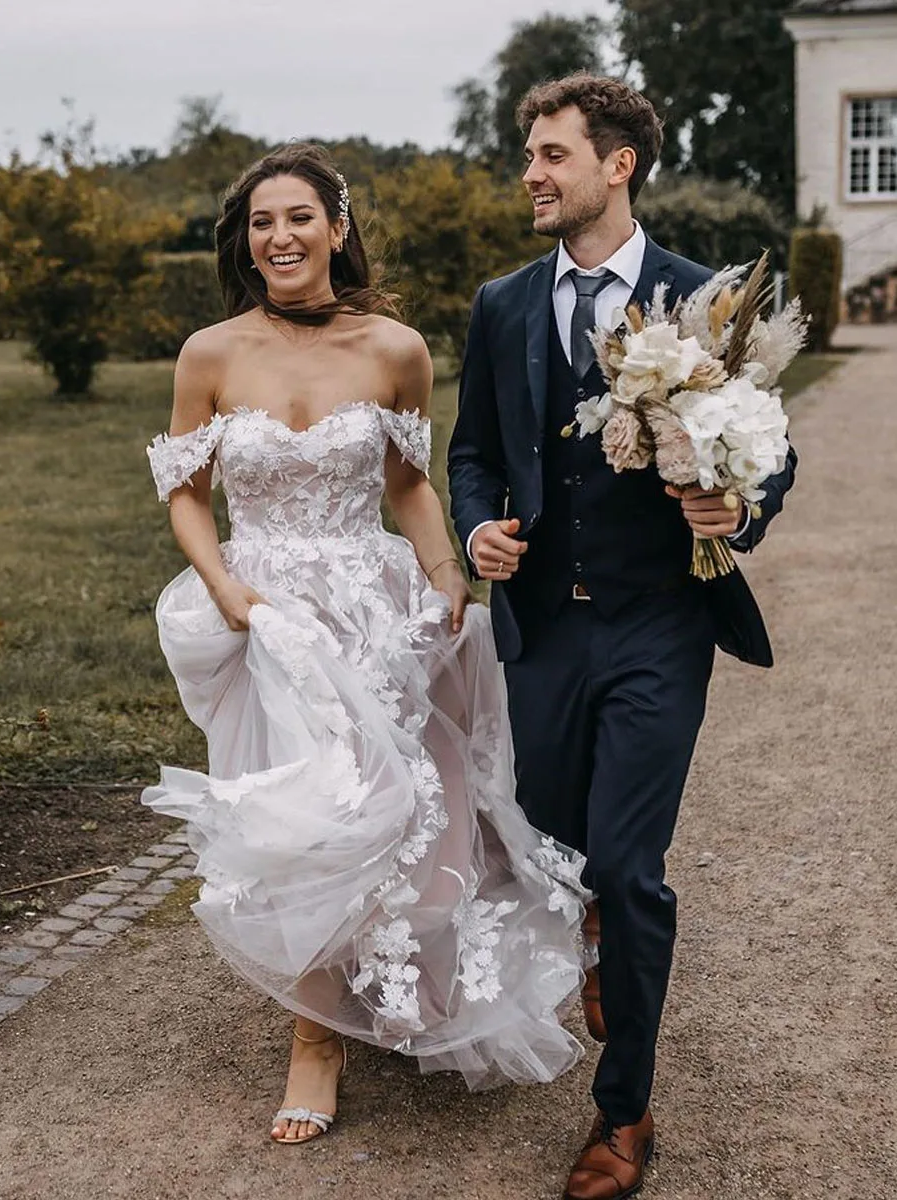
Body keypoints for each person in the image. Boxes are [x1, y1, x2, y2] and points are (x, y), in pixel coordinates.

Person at [141, 142, 589, 1148]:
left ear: (336, 229)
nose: (280, 237)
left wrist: (444, 581)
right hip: (269, 617)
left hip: (374, 605)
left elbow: (409, 486)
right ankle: (316, 1041)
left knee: (402, 819)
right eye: (261, 222)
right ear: (245, 241)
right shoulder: (211, 352)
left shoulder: (395, 347)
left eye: (299, 217)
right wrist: (229, 592)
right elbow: (185, 495)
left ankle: (388, 991)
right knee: (303, 824)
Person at [448, 75, 797, 1200]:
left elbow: (768, 447)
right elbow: (471, 454)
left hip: (658, 629)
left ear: (618, 164)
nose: (532, 173)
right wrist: (478, 530)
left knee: (634, 871)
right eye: (530, 155)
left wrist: (737, 508)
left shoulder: (707, 299)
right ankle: (590, 903)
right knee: (557, 849)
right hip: (542, 630)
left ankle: (623, 1114)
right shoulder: (502, 304)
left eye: (552, 154)